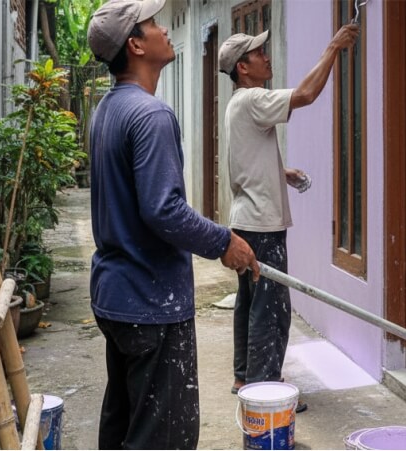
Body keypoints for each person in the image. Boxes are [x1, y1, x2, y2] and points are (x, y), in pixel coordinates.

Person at [86, 0, 259, 448]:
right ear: (136, 45)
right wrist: (224, 242)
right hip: (150, 302)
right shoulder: (151, 115)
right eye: (152, 24)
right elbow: (163, 210)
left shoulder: (107, 110)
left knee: (124, 425)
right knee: (164, 437)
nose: (164, 29)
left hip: (115, 297)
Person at [218, 24, 359, 412]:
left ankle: (244, 376)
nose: (267, 58)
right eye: (258, 54)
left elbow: (245, 161)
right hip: (262, 224)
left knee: (250, 302)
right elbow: (306, 94)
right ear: (243, 67)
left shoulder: (237, 104)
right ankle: (264, 387)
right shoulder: (252, 98)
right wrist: (334, 47)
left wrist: (281, 173)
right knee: (272, 309)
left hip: (247, 221)